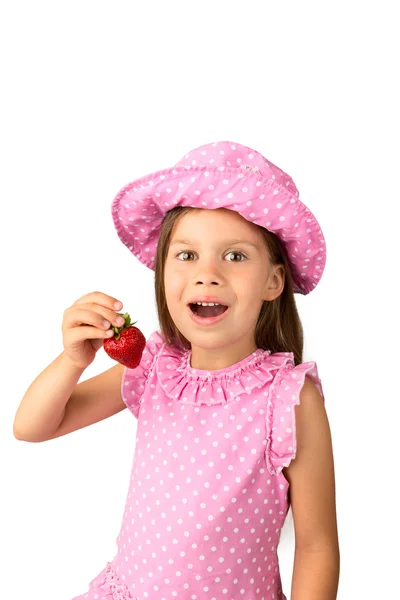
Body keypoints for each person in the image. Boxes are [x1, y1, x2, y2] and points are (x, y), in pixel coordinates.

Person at [13, 141, 340, 600]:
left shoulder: (288, 398)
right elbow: (31, 428)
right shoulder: (155, 367)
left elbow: (317, 546)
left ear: (273, 281)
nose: (207, 274)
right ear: (162, 273)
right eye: (187, 255)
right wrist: (73, 361)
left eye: (235, 256)